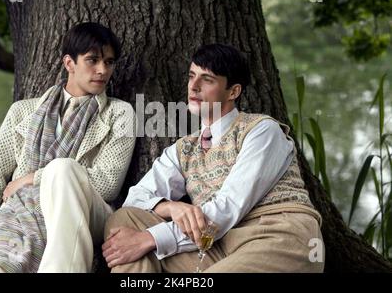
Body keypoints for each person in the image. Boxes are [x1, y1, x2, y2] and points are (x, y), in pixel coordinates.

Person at [102, 43, 325, 273]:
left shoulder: (262, 131)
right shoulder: (184, 149)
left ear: (233, 92)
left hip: (275, 237)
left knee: (142, 240)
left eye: (207, 79)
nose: (194, 87)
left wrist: (150, 239)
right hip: (216, 247)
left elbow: (230, 206)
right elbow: (136, 198)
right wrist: (171, 207)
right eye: (191, 76)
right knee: (124, 220)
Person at [0, 22, 136, 273]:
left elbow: (108, 184)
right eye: (93, 60)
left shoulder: (119, 113)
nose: (102, 70)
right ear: (69, 63)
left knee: (63, 168)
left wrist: (32, 179)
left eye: (109, 62)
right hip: (19, 216)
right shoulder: (22, 112)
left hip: (91, 214)